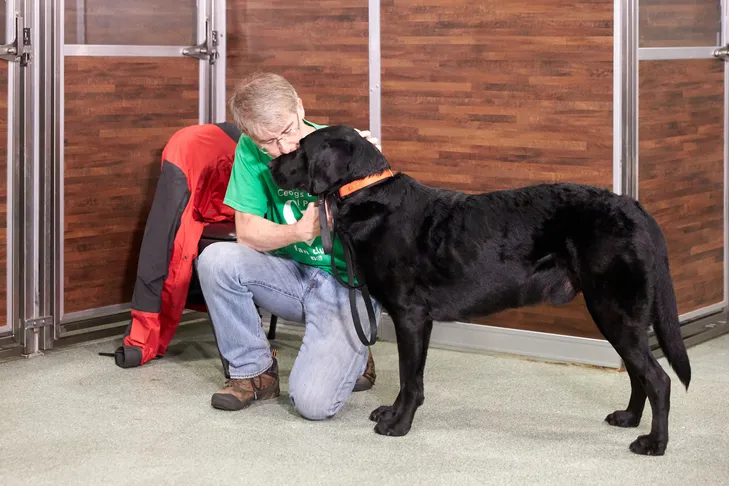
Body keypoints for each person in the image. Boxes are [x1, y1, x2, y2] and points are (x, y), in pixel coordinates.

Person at [196, 72, 382, 420]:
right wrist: (299, 231)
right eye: (269, 142)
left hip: (346, 284)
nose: (284, 148)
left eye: (288, 131)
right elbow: (247, 232)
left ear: (300, 107)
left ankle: (355, 349)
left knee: (313, 405)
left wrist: (364, 167)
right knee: (216, 259)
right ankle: (254, 373)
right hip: (289, 274)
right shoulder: (250, 150)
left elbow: (383, 229)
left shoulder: (345, 145)